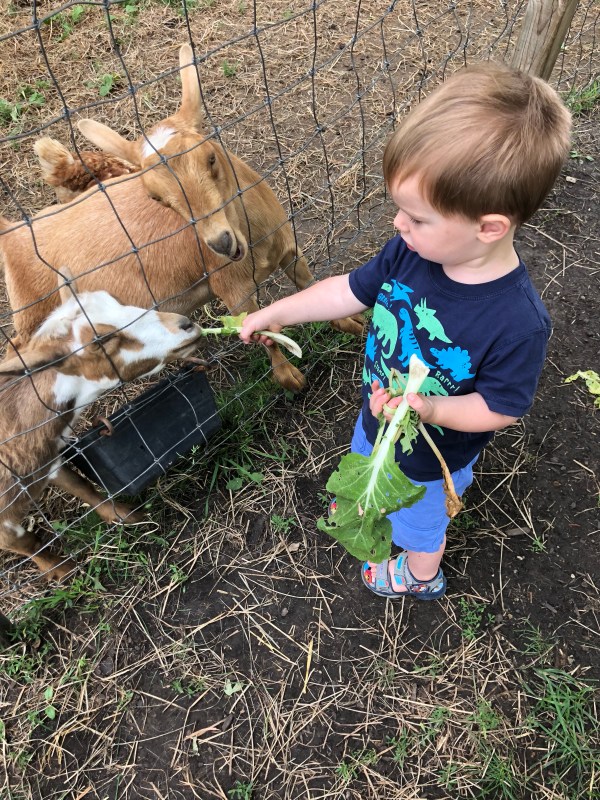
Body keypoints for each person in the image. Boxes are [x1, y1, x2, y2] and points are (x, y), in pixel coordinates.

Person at [239, 61, 572, 600]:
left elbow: (502, 408)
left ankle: (420, 574)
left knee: (421, 524)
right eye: (401, 211)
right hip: (377, 416)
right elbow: (349, 290)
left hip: (431, 456)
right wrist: (280, 311)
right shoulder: (409, 252)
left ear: (489, 227)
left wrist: (433, 410)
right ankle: (370, 492)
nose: (399, 224)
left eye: (417, 218)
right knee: (365, 453)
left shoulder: (517, 323)